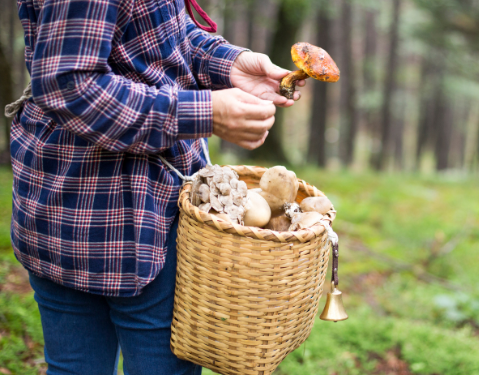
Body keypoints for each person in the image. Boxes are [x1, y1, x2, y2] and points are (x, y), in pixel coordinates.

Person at [8, 0, 304, 373]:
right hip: (124, 218)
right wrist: (204, 112)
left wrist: (229, 63)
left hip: (86, 207)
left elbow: (155, 36)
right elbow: (70, 86)